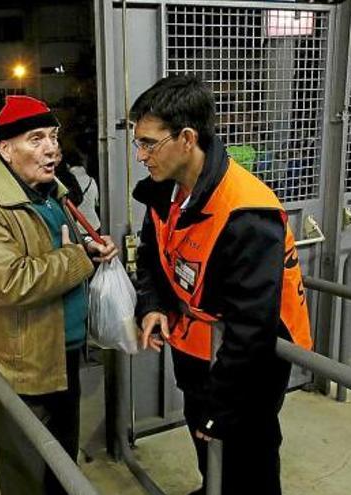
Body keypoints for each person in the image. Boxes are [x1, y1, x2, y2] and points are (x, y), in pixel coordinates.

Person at [131, 75, 312, 495]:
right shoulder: (165, 192)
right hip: (196, 342)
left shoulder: (248, 211)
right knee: (206, 442)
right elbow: (151, 256)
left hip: (250, 362)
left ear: (187, 138)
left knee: (249, 452)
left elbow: (252, 328)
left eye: (148, 143)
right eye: (137, 143)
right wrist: (153, 305)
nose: (140, 155)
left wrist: (223, 409)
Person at [0, 95, 117, 495]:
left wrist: (93, 251)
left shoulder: (52, 192)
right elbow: (8, 282)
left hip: (65, 353)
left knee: (62, 465)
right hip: (24, 363)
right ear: (5, 149)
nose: (51, 149)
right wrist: (79, 258)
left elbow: (66, 251)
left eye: (53, 136)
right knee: (27, 476)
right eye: (35, 139)